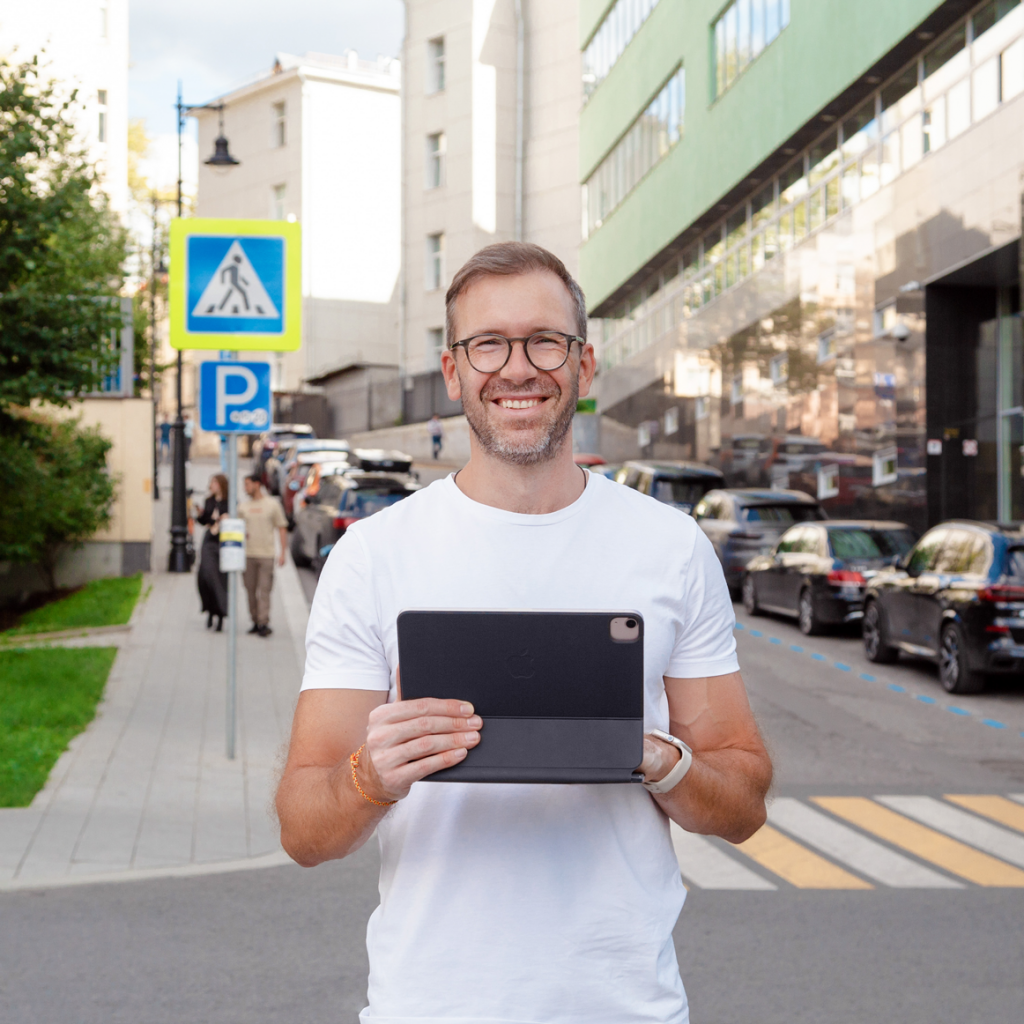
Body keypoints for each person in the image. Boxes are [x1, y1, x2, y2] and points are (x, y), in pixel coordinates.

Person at [276, 242, 772, 1023]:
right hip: (430, 1008)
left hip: (626, 1008)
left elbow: (743, 804)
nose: (518, 368)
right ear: (453, 371)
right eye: (488, 345)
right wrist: (373, 774)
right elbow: (305, 828)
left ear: (583, 364)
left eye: (545, 340)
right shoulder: (373, 557)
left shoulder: (672, 548)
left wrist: (650, 755)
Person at [238, 473, 287, 637]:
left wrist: (283, 553)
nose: (245, 488)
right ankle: (255, 620)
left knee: (264, 590)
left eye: (248, 484)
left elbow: (281, 527)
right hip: (248, 554)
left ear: (257, 484)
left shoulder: (272, 505)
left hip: (266, 554)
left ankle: (263, 622)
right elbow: (237, 529)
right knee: (250, 590)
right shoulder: (243, 507)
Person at [195, 474, 229, 631]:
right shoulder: (209, 501)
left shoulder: (229, 502)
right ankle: (209, 609)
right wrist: (202, 515)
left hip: (224, 541)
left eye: (214, 482)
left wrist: (224, 519)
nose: (211, 485)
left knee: (220, 578)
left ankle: (220, 613)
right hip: (209, 541)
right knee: (206, 575)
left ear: (221, 484)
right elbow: (204, 521)